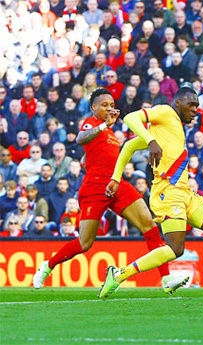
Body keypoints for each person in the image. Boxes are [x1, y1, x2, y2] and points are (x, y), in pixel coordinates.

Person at [98, 87, 203, 299]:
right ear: (178, 103)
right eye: (191, 104)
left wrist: (116, 177)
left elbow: (129, 145)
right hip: (167, 192)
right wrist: (149, 142)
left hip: (185, 193)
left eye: (197, 105)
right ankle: (119, 274)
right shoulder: (166, 113)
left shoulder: (171, 128)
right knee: (176, 249)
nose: (195, 109)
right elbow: (130, 117)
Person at [33, 89, 188, 295]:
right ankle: (48, 266)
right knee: (85, 243)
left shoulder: (110, 132)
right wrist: (104, 126)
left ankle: (166, 278)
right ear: (93, 107)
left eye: (111, 104)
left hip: (116, 184)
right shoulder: (92, 123)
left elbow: (97, 155)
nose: (108, 108)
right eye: (104, 104)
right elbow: (80, 139)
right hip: (95, 188)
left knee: (149, 225)